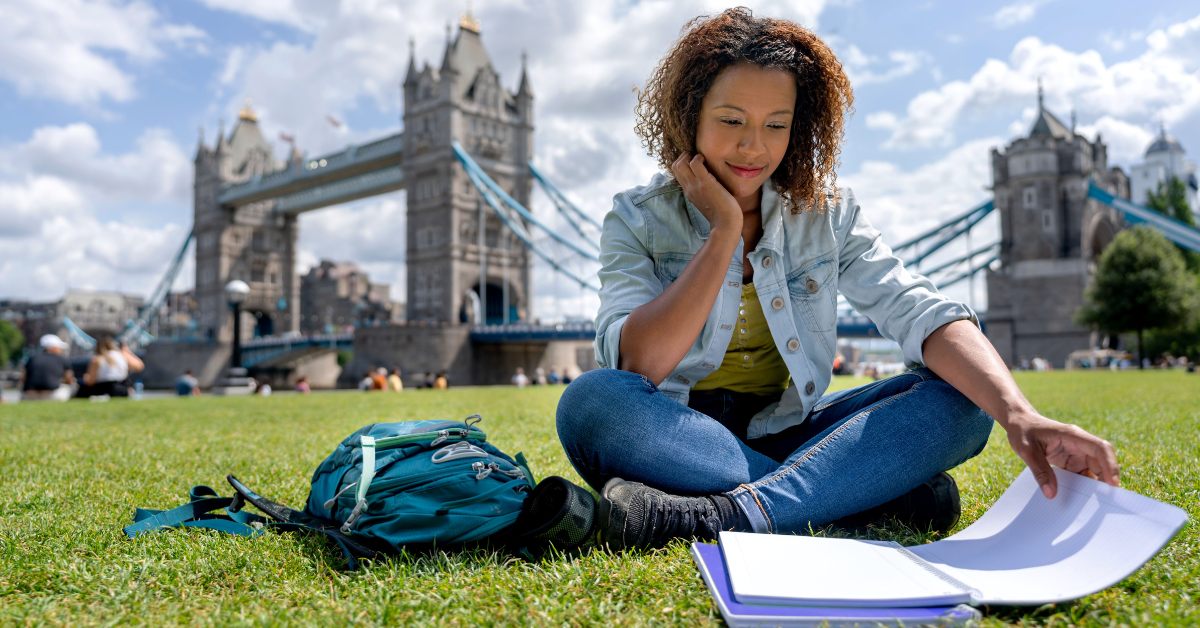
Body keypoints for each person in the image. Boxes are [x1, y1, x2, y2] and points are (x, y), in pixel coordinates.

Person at [555, 9, 1119, 552]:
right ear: (690, 115)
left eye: (776, 125)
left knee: (966, 401)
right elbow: (640, 365)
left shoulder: (829, 213)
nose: (754, 147)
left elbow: (916, 308)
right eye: (731, 121)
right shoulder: (637, 218)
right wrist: (724, 231)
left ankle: (724, 514)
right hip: (677, 435)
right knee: (591, 402)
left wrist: (1019, 413)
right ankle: (857, 495)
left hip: (795, 433)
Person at [22, 334, 76, 401]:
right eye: (59, 347)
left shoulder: (32, 359)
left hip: (29, 396)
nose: (61, 350)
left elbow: (23, 379)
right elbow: (69, 380)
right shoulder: (62, 359)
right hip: (53, 397)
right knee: (73, 386)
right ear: (52, 348)